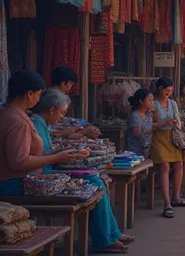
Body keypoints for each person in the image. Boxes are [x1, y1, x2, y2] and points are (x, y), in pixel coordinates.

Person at [0, 72, 134, 253]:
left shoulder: (12, 115)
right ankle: (106, 238)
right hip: (17, 183)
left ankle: (109, 235)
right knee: (93, 184)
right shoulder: (18, 121)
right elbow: (18, 162)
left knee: (94, 181)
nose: (39, 99)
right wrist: (56, 157)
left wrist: (55, 153)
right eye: (39, 94)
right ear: (29, 94)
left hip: (22, 178)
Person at [150, 77, 185, 218]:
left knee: (179, 164)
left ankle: (176, 197)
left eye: (171, 91)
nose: (169, 93)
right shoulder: (153, 105)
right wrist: (164, 123)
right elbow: (148, 126)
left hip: (172, 138)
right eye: (167, 91)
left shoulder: (173, 103)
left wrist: (176, 123)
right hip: (158, 139)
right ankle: (167, 203)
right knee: (165, 166)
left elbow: (178, 120)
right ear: (160, 89)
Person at [126, 89, 154, 157]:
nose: (152, 102)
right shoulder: (134, 115)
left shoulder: (148, 116)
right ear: (141, 101)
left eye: (152, 100)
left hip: (145, 151)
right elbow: (137, 134)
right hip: (135, 153)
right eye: (149, 100)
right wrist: (153, 128)